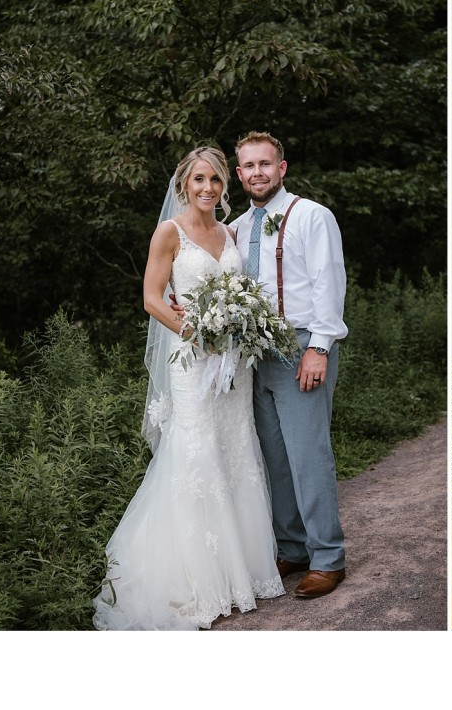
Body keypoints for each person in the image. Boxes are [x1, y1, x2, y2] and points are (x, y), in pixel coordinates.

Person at [93, 146, 283, 630]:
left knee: (235, 449)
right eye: (199, 179)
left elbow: (244, 292)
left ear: (225, 185)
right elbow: (152, 299)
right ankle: (198, 581)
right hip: (193, 360)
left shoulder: (230, 230)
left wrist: (240, 329)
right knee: (197, 454)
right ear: (184, 184)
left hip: (234, 365)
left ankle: (242, 573)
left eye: (216, 180)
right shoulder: (169, 233)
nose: (208, 188)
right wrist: (198, 333)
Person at [231, 131, 349, 598]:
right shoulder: (238, 228)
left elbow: (329, 282)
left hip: (300, 346)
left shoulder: (312, 216)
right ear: (239, 174)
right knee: (274, 460)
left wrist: (318, 347)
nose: (258, 172)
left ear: (282, 168)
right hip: (253, 355)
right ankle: (293, 548)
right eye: (249, 166)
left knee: (307, 456)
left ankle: (328, 556)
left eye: (265, 164)